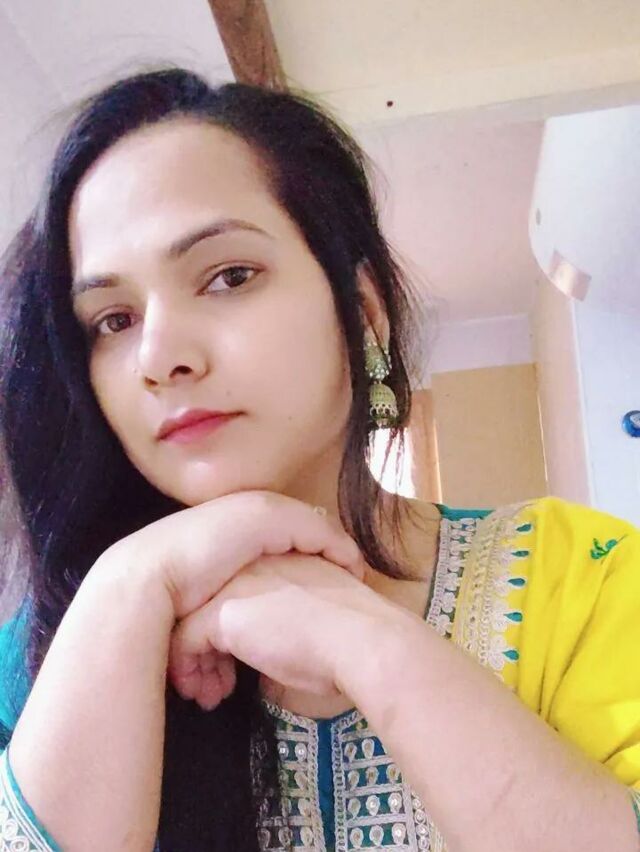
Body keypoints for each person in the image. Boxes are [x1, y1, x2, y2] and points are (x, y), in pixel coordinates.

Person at [0, 67, 638, 852]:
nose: (158, 357)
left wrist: (373, 648)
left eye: (228, 276)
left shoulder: (581, 577)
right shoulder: (55, 643)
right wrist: (134, 582)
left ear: (362, 314)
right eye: (112, 320)